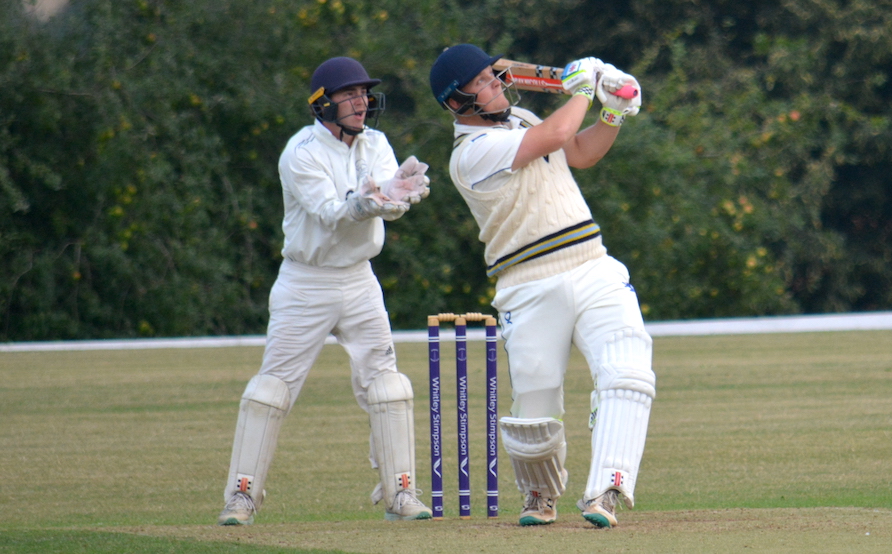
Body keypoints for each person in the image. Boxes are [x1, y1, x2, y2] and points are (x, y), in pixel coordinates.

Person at [428, 45, 656, 528]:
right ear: (455, 102)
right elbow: (557, 133)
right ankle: (540, 494)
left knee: (628, 372)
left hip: (591, 263)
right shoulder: (470, 153)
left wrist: (613, 111)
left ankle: (608, 489)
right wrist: (585, 87)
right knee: (535, 406)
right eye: (481, 83)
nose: (495, 85)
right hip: (527, 284)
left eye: (493, 76)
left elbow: (580, 152)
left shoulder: (523, 118)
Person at [218, 57, 433, 525]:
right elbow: (330, 213)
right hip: (306, 283)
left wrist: (395, 195)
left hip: (359, 280)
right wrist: (368, 201)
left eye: (363, 94)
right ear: (323, 104)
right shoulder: (301, 153)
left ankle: (400, 493)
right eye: (349, 94)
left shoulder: (376, 143)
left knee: (387, 385)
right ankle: (241, 497)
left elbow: (389, 203)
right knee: (271, 390)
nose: (361, 102)